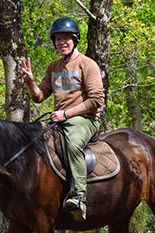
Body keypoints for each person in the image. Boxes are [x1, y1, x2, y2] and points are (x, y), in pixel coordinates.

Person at [21, 16, 104, 221]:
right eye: (58, 39)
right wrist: (30, 81)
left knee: (73, 144)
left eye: (66, 38)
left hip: (85, 119)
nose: (61, 43)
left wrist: (66, 114)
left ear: (75, 40)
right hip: (59, 120)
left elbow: (97, 100)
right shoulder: (54, 66)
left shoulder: (87, 64)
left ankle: (79, 198)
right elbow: (39, 96)